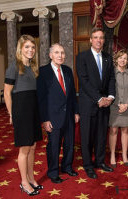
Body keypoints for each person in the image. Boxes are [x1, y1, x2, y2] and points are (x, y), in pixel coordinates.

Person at [4, 35, 42, 196]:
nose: (30, 50)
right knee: (25, 148)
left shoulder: (33, 68)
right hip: (21, 110)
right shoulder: (14, 67)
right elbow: (7, 92)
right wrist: (11, 114)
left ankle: (31, 178)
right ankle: (24, 182)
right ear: (20, 49)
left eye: (32, 47)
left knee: (33, 147)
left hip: (33, 110)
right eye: (27, 47)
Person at [76, 27, 115, 179]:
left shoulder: (108, 57)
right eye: (96, 37)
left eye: (101, 38)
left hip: (105, 104)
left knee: (101, 136)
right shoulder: (82, 57)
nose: (99, 40)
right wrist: (98, 99)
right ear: (90, 40)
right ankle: (88, 165)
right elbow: (84, 81)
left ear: (104, 41)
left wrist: (110, 97)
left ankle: (100, 162)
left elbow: (111, 78)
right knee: (87, 137)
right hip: (88, 104)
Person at [37, 43, 79, 183]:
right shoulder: (43, 72)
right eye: (56, 52)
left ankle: (67, 166)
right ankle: (53, 172)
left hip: (69, 116)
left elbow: (72, 93)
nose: (60, 55)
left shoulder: (67, 70)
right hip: (53, 116)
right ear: (50, 55)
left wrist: (76, 112)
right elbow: (41, 98)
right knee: (54, 146)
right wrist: (45, 119)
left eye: (62, 52)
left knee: (69, 143)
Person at [108, 49, 128, 167]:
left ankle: (124, 155)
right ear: (116, 59)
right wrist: (118, 104)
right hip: (114, 107)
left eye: (125, 58)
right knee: (113, 130)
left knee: (125, 130)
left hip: (127, 108)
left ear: (127, 60)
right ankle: (112, 155)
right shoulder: (111, 73)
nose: (122, 60)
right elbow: (109, 90)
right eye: (120, 57)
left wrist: (126, 104)